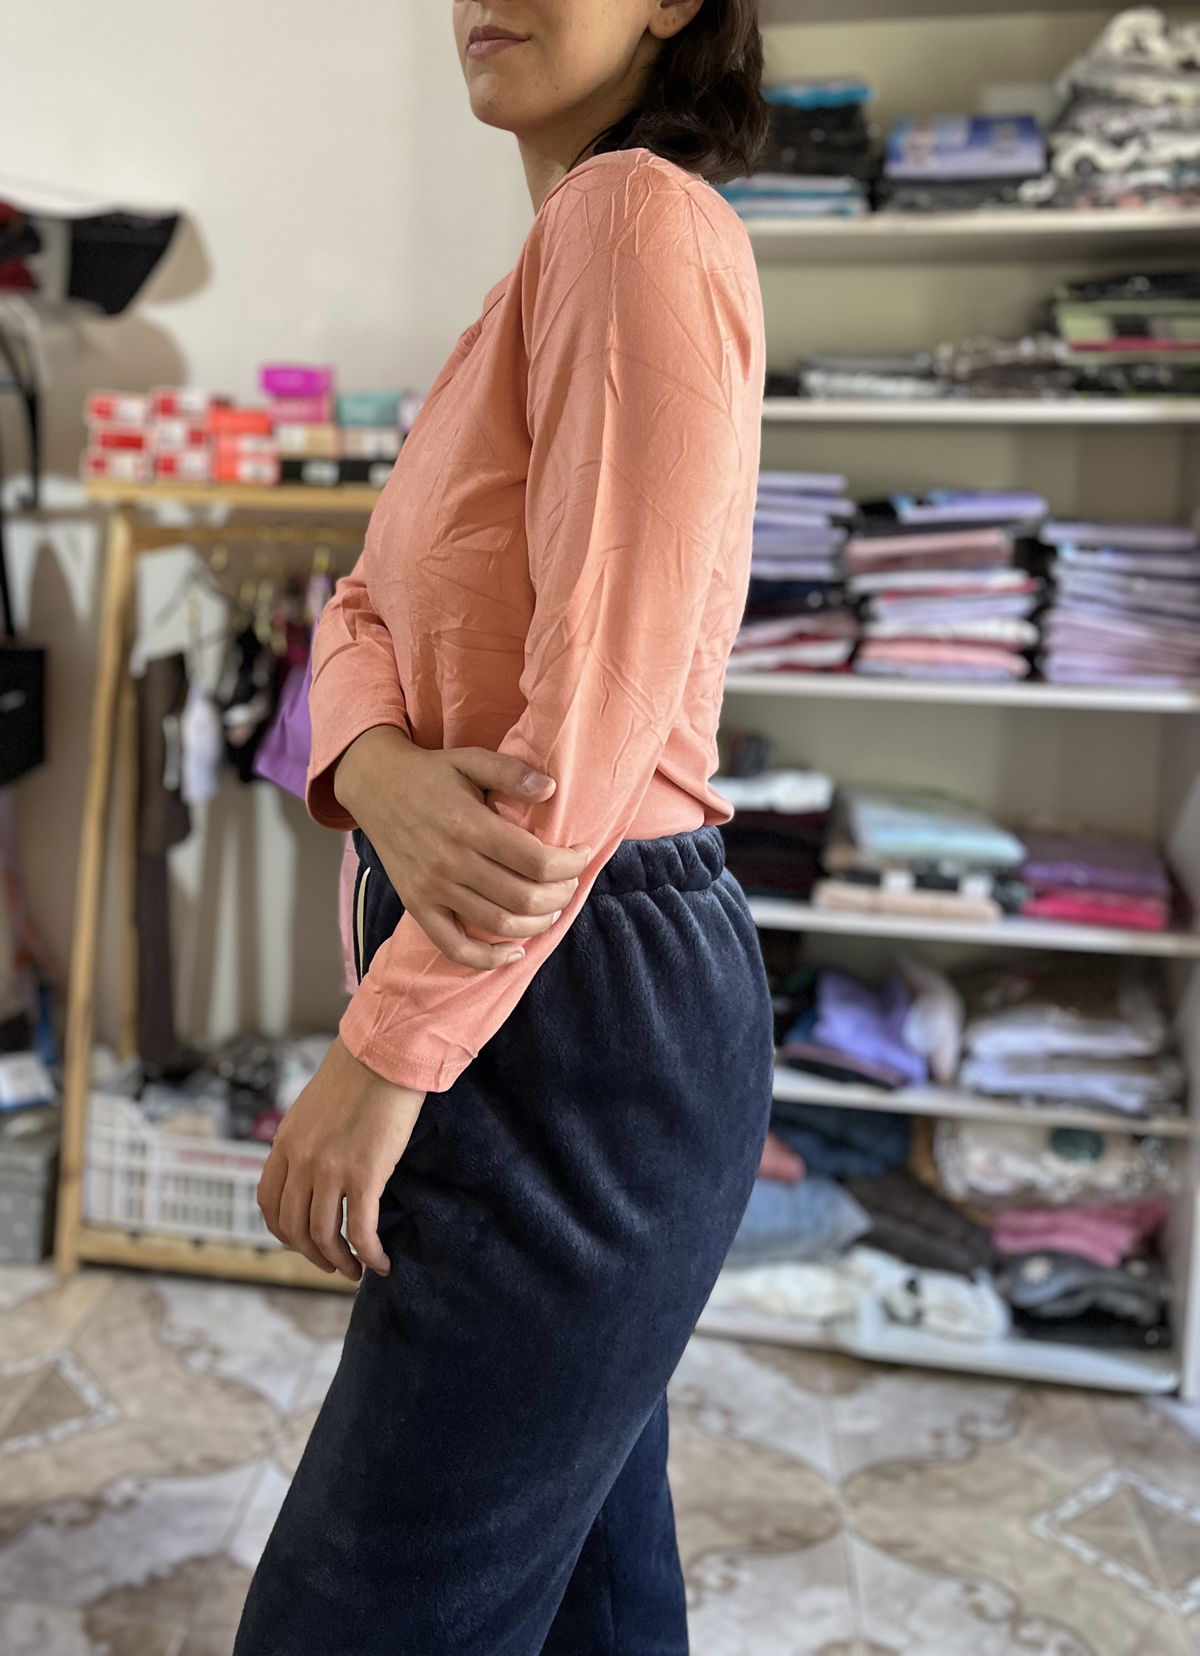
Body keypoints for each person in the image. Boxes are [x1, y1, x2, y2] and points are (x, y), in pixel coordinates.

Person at [234, 3, 773, 1651]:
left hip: (575, 1004)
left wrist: (383, 1054)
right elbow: (357, 601)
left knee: (359, 1613)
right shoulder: (547, 264)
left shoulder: (631, 216)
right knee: (598, 1589)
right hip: (556, 979)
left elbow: (596, 704)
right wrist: (376, 762)